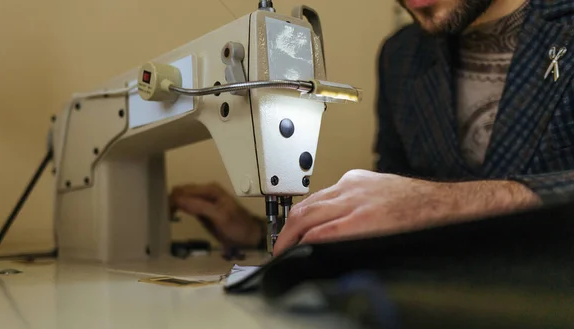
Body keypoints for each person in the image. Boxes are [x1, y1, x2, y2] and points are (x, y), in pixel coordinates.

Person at [171, 0, 574, 257]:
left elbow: (423, 204)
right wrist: (263, 232)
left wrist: (440, 203)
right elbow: (388, 220)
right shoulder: (401, 56)